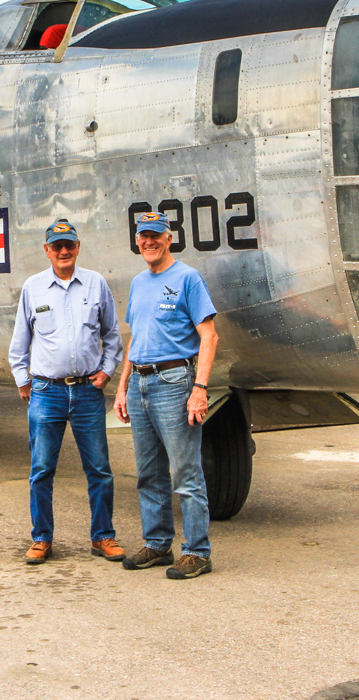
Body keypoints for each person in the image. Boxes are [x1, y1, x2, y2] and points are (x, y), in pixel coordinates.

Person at [8, 218, 124, 565]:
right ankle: (42, 538)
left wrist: (105, 373)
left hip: (88, 392)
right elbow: (19, 343)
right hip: (47, 392)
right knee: (42, 469)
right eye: (56, 246)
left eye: (68, 245)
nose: (62, 251)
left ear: (77, 248)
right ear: (47, 250)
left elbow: (113, 336)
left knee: (99, 469)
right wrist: (23, 381)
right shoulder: (33, 288)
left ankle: (103, 536)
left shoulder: (96, 284)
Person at [113, 211, 220, 580]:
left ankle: (197, 552)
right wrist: (122, 386)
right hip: (141, 382)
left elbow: (209, 335)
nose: (149, 242)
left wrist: (200, 389)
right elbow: (135, 338)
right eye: (143, 236)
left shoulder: (188, 278)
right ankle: (158, 544)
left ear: (168, 238)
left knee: (185, 473)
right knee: (148, 472)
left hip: (175, 382)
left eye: (155, 235)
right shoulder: (139, 282)